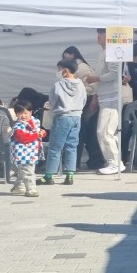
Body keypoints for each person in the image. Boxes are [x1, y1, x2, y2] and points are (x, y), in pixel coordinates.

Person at [82, 29, 125, 175]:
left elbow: (115, 74)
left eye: (102, 33)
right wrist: (96, 96)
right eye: (98, 33)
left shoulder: (113, 51)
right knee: (107, 132)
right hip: (104, 96)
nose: (98, 36)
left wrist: (96, 79)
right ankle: (115, 161)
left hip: (112, 96)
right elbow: (103, 74)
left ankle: (115, 162)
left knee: (105, 131)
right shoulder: (103, 53)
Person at [42, 58, 86, 186]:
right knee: (72, 146)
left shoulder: (58, 85)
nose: (58, 71)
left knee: (55, 147)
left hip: (62, 117)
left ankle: (49, 176)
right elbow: (84, 101)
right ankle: (70, 175)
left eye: (59, 69)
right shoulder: (81, 84)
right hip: (76, 117)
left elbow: (53, 102)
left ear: (65, 70)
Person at [64, 46, 105, 171]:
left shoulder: (80, 68)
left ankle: (75, 162)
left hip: (87, 101)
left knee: (80, 133)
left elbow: (91, 85)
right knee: (89, 133)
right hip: (88, 100)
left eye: (66, 56)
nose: (65, 59)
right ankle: (96, 161)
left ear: (72, 55)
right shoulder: (81, 66)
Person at [8, 100, 46, 198]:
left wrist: (42, 133)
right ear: (16, 114)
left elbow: (39, 131)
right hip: (22, 153)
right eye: (20, 113)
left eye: (26, 113)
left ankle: (19, 186)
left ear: (31, 112)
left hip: (33, 151)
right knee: (28, 171)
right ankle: (31, 189)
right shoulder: (18, 126)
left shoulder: (35, 121)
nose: (23, 116)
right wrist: (37, 135)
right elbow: (23, 138)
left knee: (23, 170)